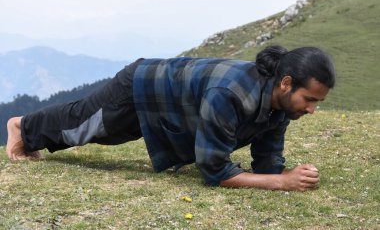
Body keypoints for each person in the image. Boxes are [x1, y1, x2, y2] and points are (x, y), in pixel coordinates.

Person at [6, 45, 335, 191]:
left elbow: (267, 159)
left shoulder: (281, 105)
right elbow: (216, 172)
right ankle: (22, 126)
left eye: (317, 102)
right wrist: (280, 182)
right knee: (84, 125)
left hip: (170, 105)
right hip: (143, 87)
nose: (311, 109)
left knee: (103, 133)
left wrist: (286, 173)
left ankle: (29, 129)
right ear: (287, 82)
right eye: (309, 99)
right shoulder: (232, 93)